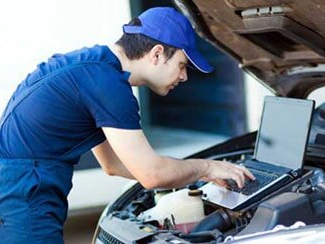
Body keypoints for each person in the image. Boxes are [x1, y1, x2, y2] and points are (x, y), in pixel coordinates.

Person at [0, 7, 254, 244]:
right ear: (156, 54)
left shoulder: (94, 67)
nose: (184, 76)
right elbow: (151, 174)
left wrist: (187, 174)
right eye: (182, 65)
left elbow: (113, 165)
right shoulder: (109, 87)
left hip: (17, 184)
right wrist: (206, 168)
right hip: (26, 193)